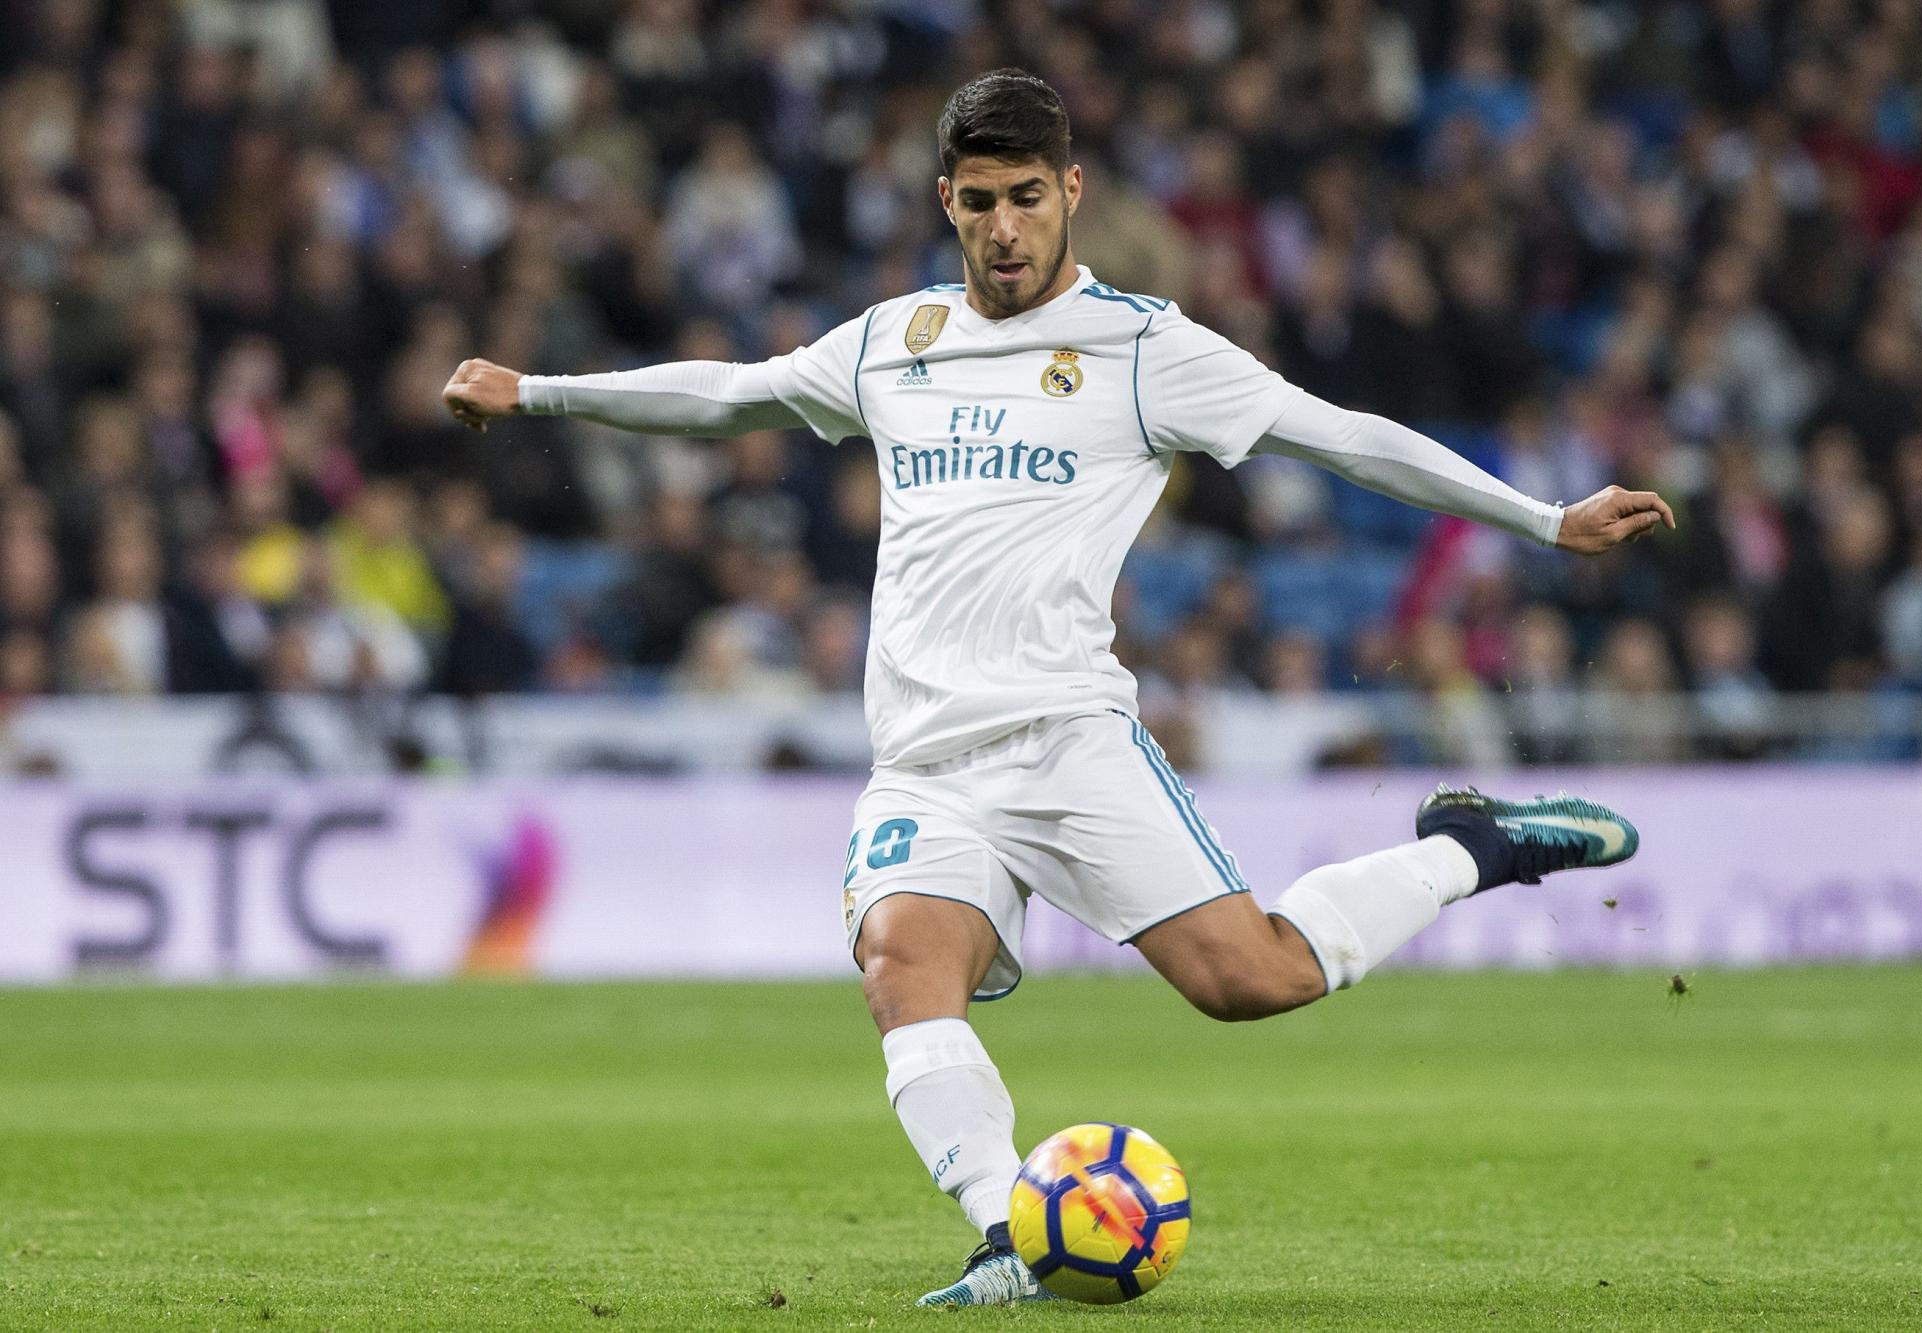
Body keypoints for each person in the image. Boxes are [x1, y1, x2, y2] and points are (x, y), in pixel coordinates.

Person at [443, 71, 1673, 1308]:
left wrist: (1540, 516)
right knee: (898, 968)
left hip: (1068, 742)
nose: (1004, 228)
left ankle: (1469, 846)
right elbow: (731, 394)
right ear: (946, 202)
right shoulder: (892, 342)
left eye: (1027, 197)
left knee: (1250, 979)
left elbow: (1340, 433)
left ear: (1070, 191)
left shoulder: (1146, 349)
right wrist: (539, 391)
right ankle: (1004, 1235)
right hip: (924, 760)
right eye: (977, 203)